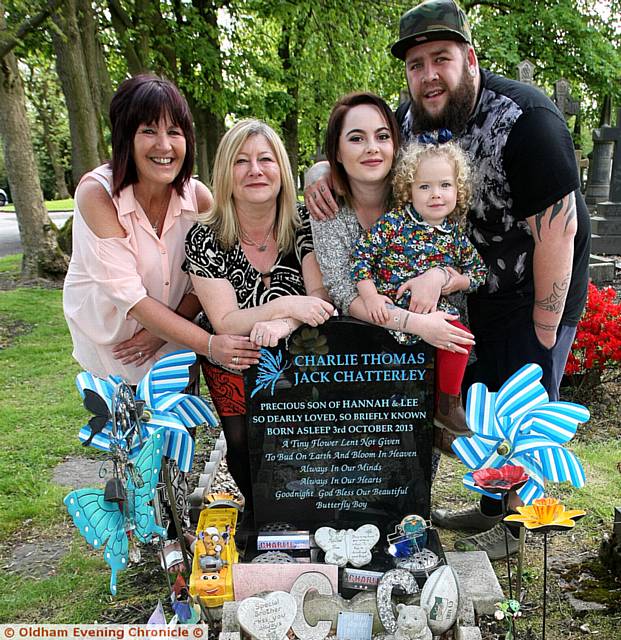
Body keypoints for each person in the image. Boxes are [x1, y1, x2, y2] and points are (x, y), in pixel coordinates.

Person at [305, 0, 590, 560]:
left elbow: (560, 230)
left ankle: (514, 531)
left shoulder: (526, 120)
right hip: (460, 294)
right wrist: (320, 169)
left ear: (470, 57)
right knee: (474, 410)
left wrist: (545, 328)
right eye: (416, 65)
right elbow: (365, 147)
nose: (428, 75)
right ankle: (490, 508)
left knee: (521, 407)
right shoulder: (411, 122)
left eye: (441, 58)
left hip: (530, 295)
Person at [63, 74, 260, 572]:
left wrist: (167, 329)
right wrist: (211, 345)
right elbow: (128, 296)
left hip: (173, 330)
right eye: (149, 130)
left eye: (176, 131)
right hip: (111, 337)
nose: (165, 145)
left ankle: (174, 525)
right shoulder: (97, 194)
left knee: (174, 426)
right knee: (126, 436)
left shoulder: (198, 198)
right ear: (125, 136)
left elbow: (205, 278)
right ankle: (139, 527)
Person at [183, 119, 334, 521]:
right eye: (242, 161)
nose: (255, 170)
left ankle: (309, 515)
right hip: (237, 354)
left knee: (302, 442)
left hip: (301, 349)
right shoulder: (205, 235)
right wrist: (290, 306)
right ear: (225, 173)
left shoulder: (304, 223)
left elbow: (319, 298)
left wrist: (287, 322)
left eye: (265, 159)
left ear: (281, 170)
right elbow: (226, 320)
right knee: (243, 445)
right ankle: (261, 516)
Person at [350, 132, 487, 436]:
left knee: (460, 337)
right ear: (408, 190)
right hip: (391, 314)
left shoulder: (454, 236)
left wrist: (452, 280)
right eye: (425, 186)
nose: (435, 194)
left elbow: (478, 273)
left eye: (445, 185)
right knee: (394, 379)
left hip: (436, 316)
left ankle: (447, 407)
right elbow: (360, 259)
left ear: (458, 190)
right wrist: (370, 297)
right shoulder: (393, 224)